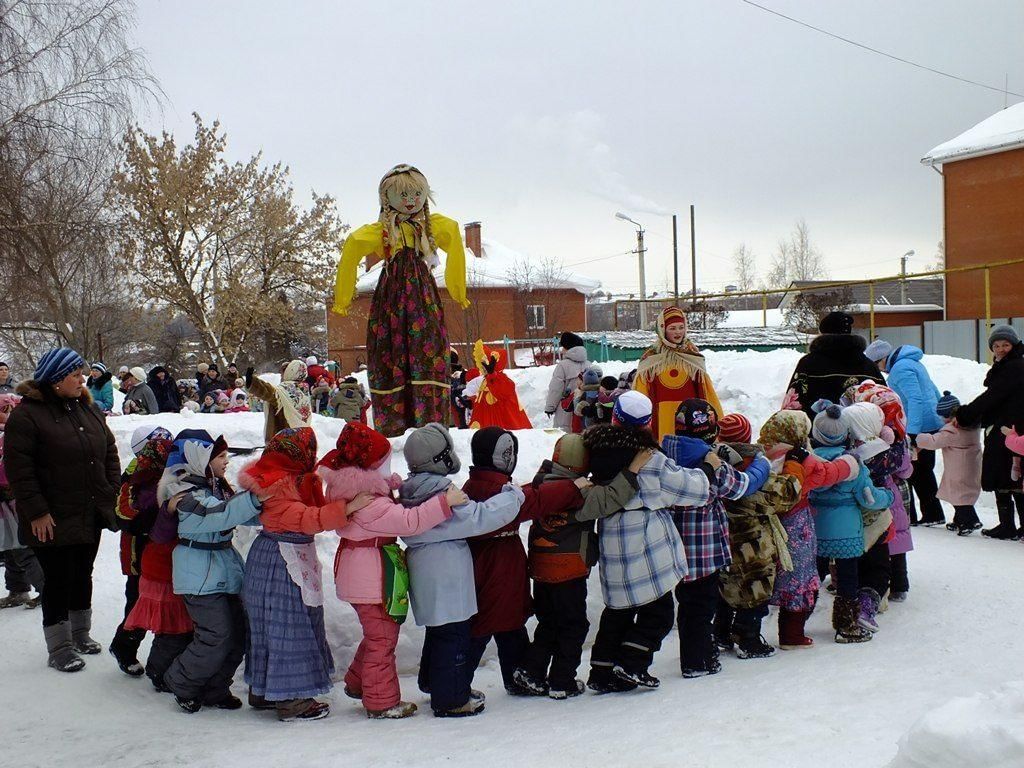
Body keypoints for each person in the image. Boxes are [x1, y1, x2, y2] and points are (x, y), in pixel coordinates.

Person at [320, 422, 458, 719]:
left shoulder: (352, 493)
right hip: (372, 578)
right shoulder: (371, 504)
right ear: (371, 469)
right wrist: (444, 502)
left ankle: (360, 683)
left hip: (361, 574)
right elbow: (409, 522)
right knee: (383, 639)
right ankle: (381, 702)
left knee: (376, 634)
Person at [583, 395, 720, 691]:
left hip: (612, 535)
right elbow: (692, 489)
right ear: (647, 423)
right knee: (658, 611)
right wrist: (709, 468)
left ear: (615, 417)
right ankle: (632, 664)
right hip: (645, 539)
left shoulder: (595, 449)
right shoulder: (649, 458)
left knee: (618, 608)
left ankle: (601, 671)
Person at [397, 423, 524, 717]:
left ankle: (435, 682)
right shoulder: (442, 494)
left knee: (439, 632)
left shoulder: (412, 489)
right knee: (453, 635)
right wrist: (513, 497)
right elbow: (479, 517)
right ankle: (451, 699)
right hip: (446, 571)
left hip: (425, 566)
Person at [332, 165, 470, 437]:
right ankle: (395, 428)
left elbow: (453, 235)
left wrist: (458, 289)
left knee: (426, 346)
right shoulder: (381, 231)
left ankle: (429, 428)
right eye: (403, 194)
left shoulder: (434, 225)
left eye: (417, 193)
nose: (411, 200)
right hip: (392, 297)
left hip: (422, 296)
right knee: (390, 348)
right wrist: (343, 297)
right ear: (387, 198)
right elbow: (352, 246)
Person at [5, 348, 120, 672]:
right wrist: (38, 511)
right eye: (75, 374)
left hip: (89, 511)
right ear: (55, 379)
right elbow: (19, 471)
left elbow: (109, 451)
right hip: (51, 516)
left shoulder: (87, 408)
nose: (82, 379)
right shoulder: (27, 416)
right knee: (58, 580)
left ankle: (81, 634)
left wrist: (110, 490)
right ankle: (60, 647)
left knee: (83, 573)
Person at [237, 427, 360, 722]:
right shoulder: (278, 487)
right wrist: (350, 507)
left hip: (274, 560)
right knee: (287, 628)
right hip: (281, 565)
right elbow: (308, 519)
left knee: (270, 628)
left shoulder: (279, 477)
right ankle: (292, 701)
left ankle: (265, 691)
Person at [513, 435, 641, 699]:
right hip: (568, 570)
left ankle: (531, 671)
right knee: (573, 625)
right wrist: (632, 470)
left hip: (540, 567)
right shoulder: (579, 493)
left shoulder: (540, 484)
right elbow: (611, 498)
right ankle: (562, 680)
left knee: (548, 622)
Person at [159, 431, 263, 713]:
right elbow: (222, 514)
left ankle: (215, 688)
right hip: (198, 575)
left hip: (223, 567)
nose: (226, 460)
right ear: (199, 459)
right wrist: (257, 497)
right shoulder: (183, 495)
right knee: (216, 634)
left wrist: (272, 504)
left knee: (238, 633)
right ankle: (181, 682)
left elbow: (241, 512)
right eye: (219, 456)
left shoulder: (216, 487)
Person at [664, 399, 770, 674]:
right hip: (703, 546)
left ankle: (697, 651)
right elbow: (740, 487)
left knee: (688, 603)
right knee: (701, 604)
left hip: (673, 542)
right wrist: (761, 465)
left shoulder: (664, 453)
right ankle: (696, 660)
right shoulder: (708, 461)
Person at [758, 409, 858, 649]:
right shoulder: (802, 460)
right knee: (797, 575)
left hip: (763, 523)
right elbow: (829, 474)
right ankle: (791, 635)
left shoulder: (759, 455)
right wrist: (850, 463)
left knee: (767, 572)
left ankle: (741, 629)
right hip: (795, 524)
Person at [715, 412, 803, 659]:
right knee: (755, 593)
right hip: (753, 546)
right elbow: (785, 494)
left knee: (725, 588)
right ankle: (748, 638)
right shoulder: (753, 472)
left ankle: (720, 632)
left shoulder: (714, 466)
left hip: (721, 541)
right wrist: (795, 466)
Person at [808, 401, 892, 644]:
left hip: (816, 531)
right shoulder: (853, 464)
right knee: (848, 580)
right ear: (846, 435)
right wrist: (886, 496)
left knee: (816, 573)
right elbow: (869, 498)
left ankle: (797, 617)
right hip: (846, 536)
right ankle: (846, 626)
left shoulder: (809, 462)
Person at [110, 426, 173, 676]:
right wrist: (149, 512)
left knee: (165, 600)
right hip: (139, 550)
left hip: (163, 549)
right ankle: (124, 646)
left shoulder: (169, 470)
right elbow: (122, 513)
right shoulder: (136, 473)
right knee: (138, 601)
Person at [867, 340, 946, 526]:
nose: (881, 371)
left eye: (877, 365)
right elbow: (933, 390)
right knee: (924, 470)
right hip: (930, 422)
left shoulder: (900, 369)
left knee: (916, 471)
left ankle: (926, 514)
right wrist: (941, 415)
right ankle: (933, 513)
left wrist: (911, 433)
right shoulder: (912, 362)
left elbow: (915, 399)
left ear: (882, 359)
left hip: (919, 425)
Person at [956, 325, 1024, 540]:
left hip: (1009, 429)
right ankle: (1013, 526)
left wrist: (965, 414)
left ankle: (1008, 527)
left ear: (1013, 345)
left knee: (1006, 476)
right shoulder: (1008, 366)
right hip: (1009, 425)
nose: (1001, 349)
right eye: (996, 345)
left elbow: (993, 396)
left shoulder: (1014, 367)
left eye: (1005, 344)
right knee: (1011, 477)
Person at [633, 307, 722, 442]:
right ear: (662, 330)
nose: (678, 332)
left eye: (681, 327)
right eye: (672, 328)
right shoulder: (651, 358)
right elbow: (641, 393)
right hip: (661, 417)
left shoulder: (692, 356)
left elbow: (705, 392)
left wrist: (717, 422)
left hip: (691, 419)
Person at [783, 311, 884, 417]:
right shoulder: (869, 366)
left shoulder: (808, 364)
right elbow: (886, 401)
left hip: (817, 431)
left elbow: (792, 408)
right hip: (865, 432)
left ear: (823, 333)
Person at [916, 392, 983, 535]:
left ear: (947, 416)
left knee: (959, 497)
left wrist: (918, 437)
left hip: (957, 469)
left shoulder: (952, 431)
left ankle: (969, 521)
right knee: (964, 494)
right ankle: (959, 520)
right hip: (972, 464)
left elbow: (933, 442)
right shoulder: (972, 425)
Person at [0, 392, 44, 610]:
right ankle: (17, 589)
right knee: (8, 548)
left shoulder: (15, 434)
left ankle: (46, 589)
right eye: (3, 411)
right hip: (3, 505)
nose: (6, 415)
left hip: (15, 501)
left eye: (9, 410)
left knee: (23, 549)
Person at [467, 341, 531, 431]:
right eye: (482, 365)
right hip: (483, 423)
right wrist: (471, 402)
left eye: (485, 364)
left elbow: (503, 392)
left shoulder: (500, 379)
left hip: (499, 424)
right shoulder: (485, 380)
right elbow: (482, 399)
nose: (483, 367)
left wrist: (492, 374)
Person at [246, 361, 313, 442]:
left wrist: (252, 382)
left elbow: (270, 393)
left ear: (291, 371)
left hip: (284, 435)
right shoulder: (304, 388)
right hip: (302, 434)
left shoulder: (286, 389)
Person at [545, 332, 589, 431]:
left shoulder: (563, 366)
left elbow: (556, 389)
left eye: (563, 347)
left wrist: (550, 407)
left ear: (568, 348)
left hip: (565, 410)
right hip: (584, 410)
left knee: (564, 435)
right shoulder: (589, 365)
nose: (562, 350)